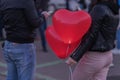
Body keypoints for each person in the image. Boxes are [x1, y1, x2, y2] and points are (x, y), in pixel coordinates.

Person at [66, 0, 119, 80]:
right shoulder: (113, 9)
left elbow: (91, 35)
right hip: (107, 55)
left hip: (94, 57)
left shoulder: (99, 8)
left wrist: (75, 57)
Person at [0, 0, 49, 80]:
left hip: (9, 44)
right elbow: (35, 22)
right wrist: (43, 16)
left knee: (11, 77)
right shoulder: (27, 1)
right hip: (23, 46)